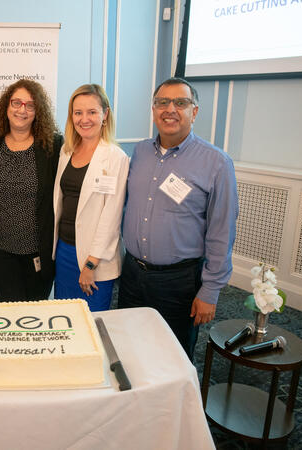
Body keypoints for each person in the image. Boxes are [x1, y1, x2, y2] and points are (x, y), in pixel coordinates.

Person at [118, 77, 239, 359]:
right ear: (153, 109)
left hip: (178, 282)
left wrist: (210, 291)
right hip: (132, 274)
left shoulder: (217, 163)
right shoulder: (140, 152)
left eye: (180, 103)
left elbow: (222, 232)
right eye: (162, 102)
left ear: (194, 111)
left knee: (172, 356)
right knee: (129, 347)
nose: (170, 109)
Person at [0, 79, 62, 301]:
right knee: (8, 314)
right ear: (6, 107)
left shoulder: (53, 146)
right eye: (16, 103)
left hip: (39, 253)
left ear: (38, 112)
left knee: (35, 316)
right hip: (0, 251)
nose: (22, 110)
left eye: (30, 105)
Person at [53, 84, 129, 311]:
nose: (84, 119)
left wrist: (91, 264)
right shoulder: (67, 151)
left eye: (92, 112)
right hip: (65, 250)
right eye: (78, 113)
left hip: (95, 259)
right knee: (64, 318)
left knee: (92, 321)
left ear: (105, 115)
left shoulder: (116, 157)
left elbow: (111, 218)